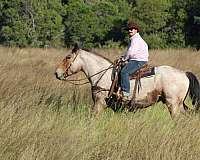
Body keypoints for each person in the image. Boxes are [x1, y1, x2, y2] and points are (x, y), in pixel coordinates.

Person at [120, 20, 149, 100]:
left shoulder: (135, 39)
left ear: (136, 30)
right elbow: (130, 52)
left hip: (138, 61)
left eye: (132, 29)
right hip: (137, 60)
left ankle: (125, 93)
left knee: (124, 72)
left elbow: (131, 52)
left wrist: (123, 59)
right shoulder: (134, 39)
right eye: (129, 29)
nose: (130, 30)